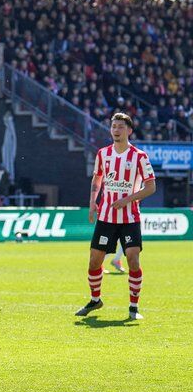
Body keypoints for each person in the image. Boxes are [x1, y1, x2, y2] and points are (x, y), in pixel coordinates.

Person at [75, 112, 155, 321]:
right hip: (106, 218)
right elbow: (97, 178)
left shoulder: (139, 156)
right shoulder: (103, 154)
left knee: (133, 260)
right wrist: (93, 203)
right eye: (113, 126)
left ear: (129, 130)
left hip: (130, 218)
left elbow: (151, 187)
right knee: (94, 261)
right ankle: (95, 300)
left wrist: (128, 200)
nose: (116, 130)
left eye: (120, 127)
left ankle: (133, 307)